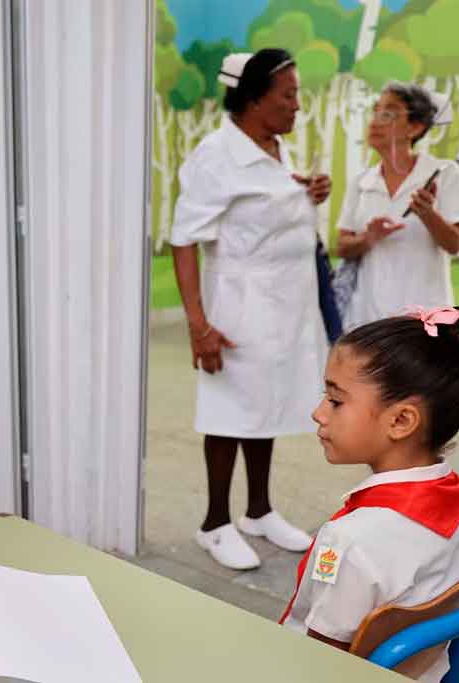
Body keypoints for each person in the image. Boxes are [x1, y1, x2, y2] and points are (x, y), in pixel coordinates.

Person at [170, 49, 331, 570]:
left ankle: (258, 510)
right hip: (238, 307)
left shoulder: (277, 147)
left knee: (268, 406)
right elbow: (183, 240)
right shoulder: (215, 156)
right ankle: (215, 523)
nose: (297, 106)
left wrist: (310, 191)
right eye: (288, 95)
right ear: (255, 97)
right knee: (229, 412)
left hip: (287, 305)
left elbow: (268, 207)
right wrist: (199, 325)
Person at [281, 306, 459, 682]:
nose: (318, 413)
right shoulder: (458, 504)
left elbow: (317, 663)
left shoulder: (351, 542)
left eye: (335, 400)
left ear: (400, 421)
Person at [336, 82, 459, 329]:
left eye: (388, 113)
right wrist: (369, 238)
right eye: (376, 111)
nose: (376, 121)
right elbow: (342, 247)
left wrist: (427, 213)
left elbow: (455, 244)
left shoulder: (445, 173)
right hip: (367, 320)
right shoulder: (361, 182)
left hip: (424, 321)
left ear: (415, 127)